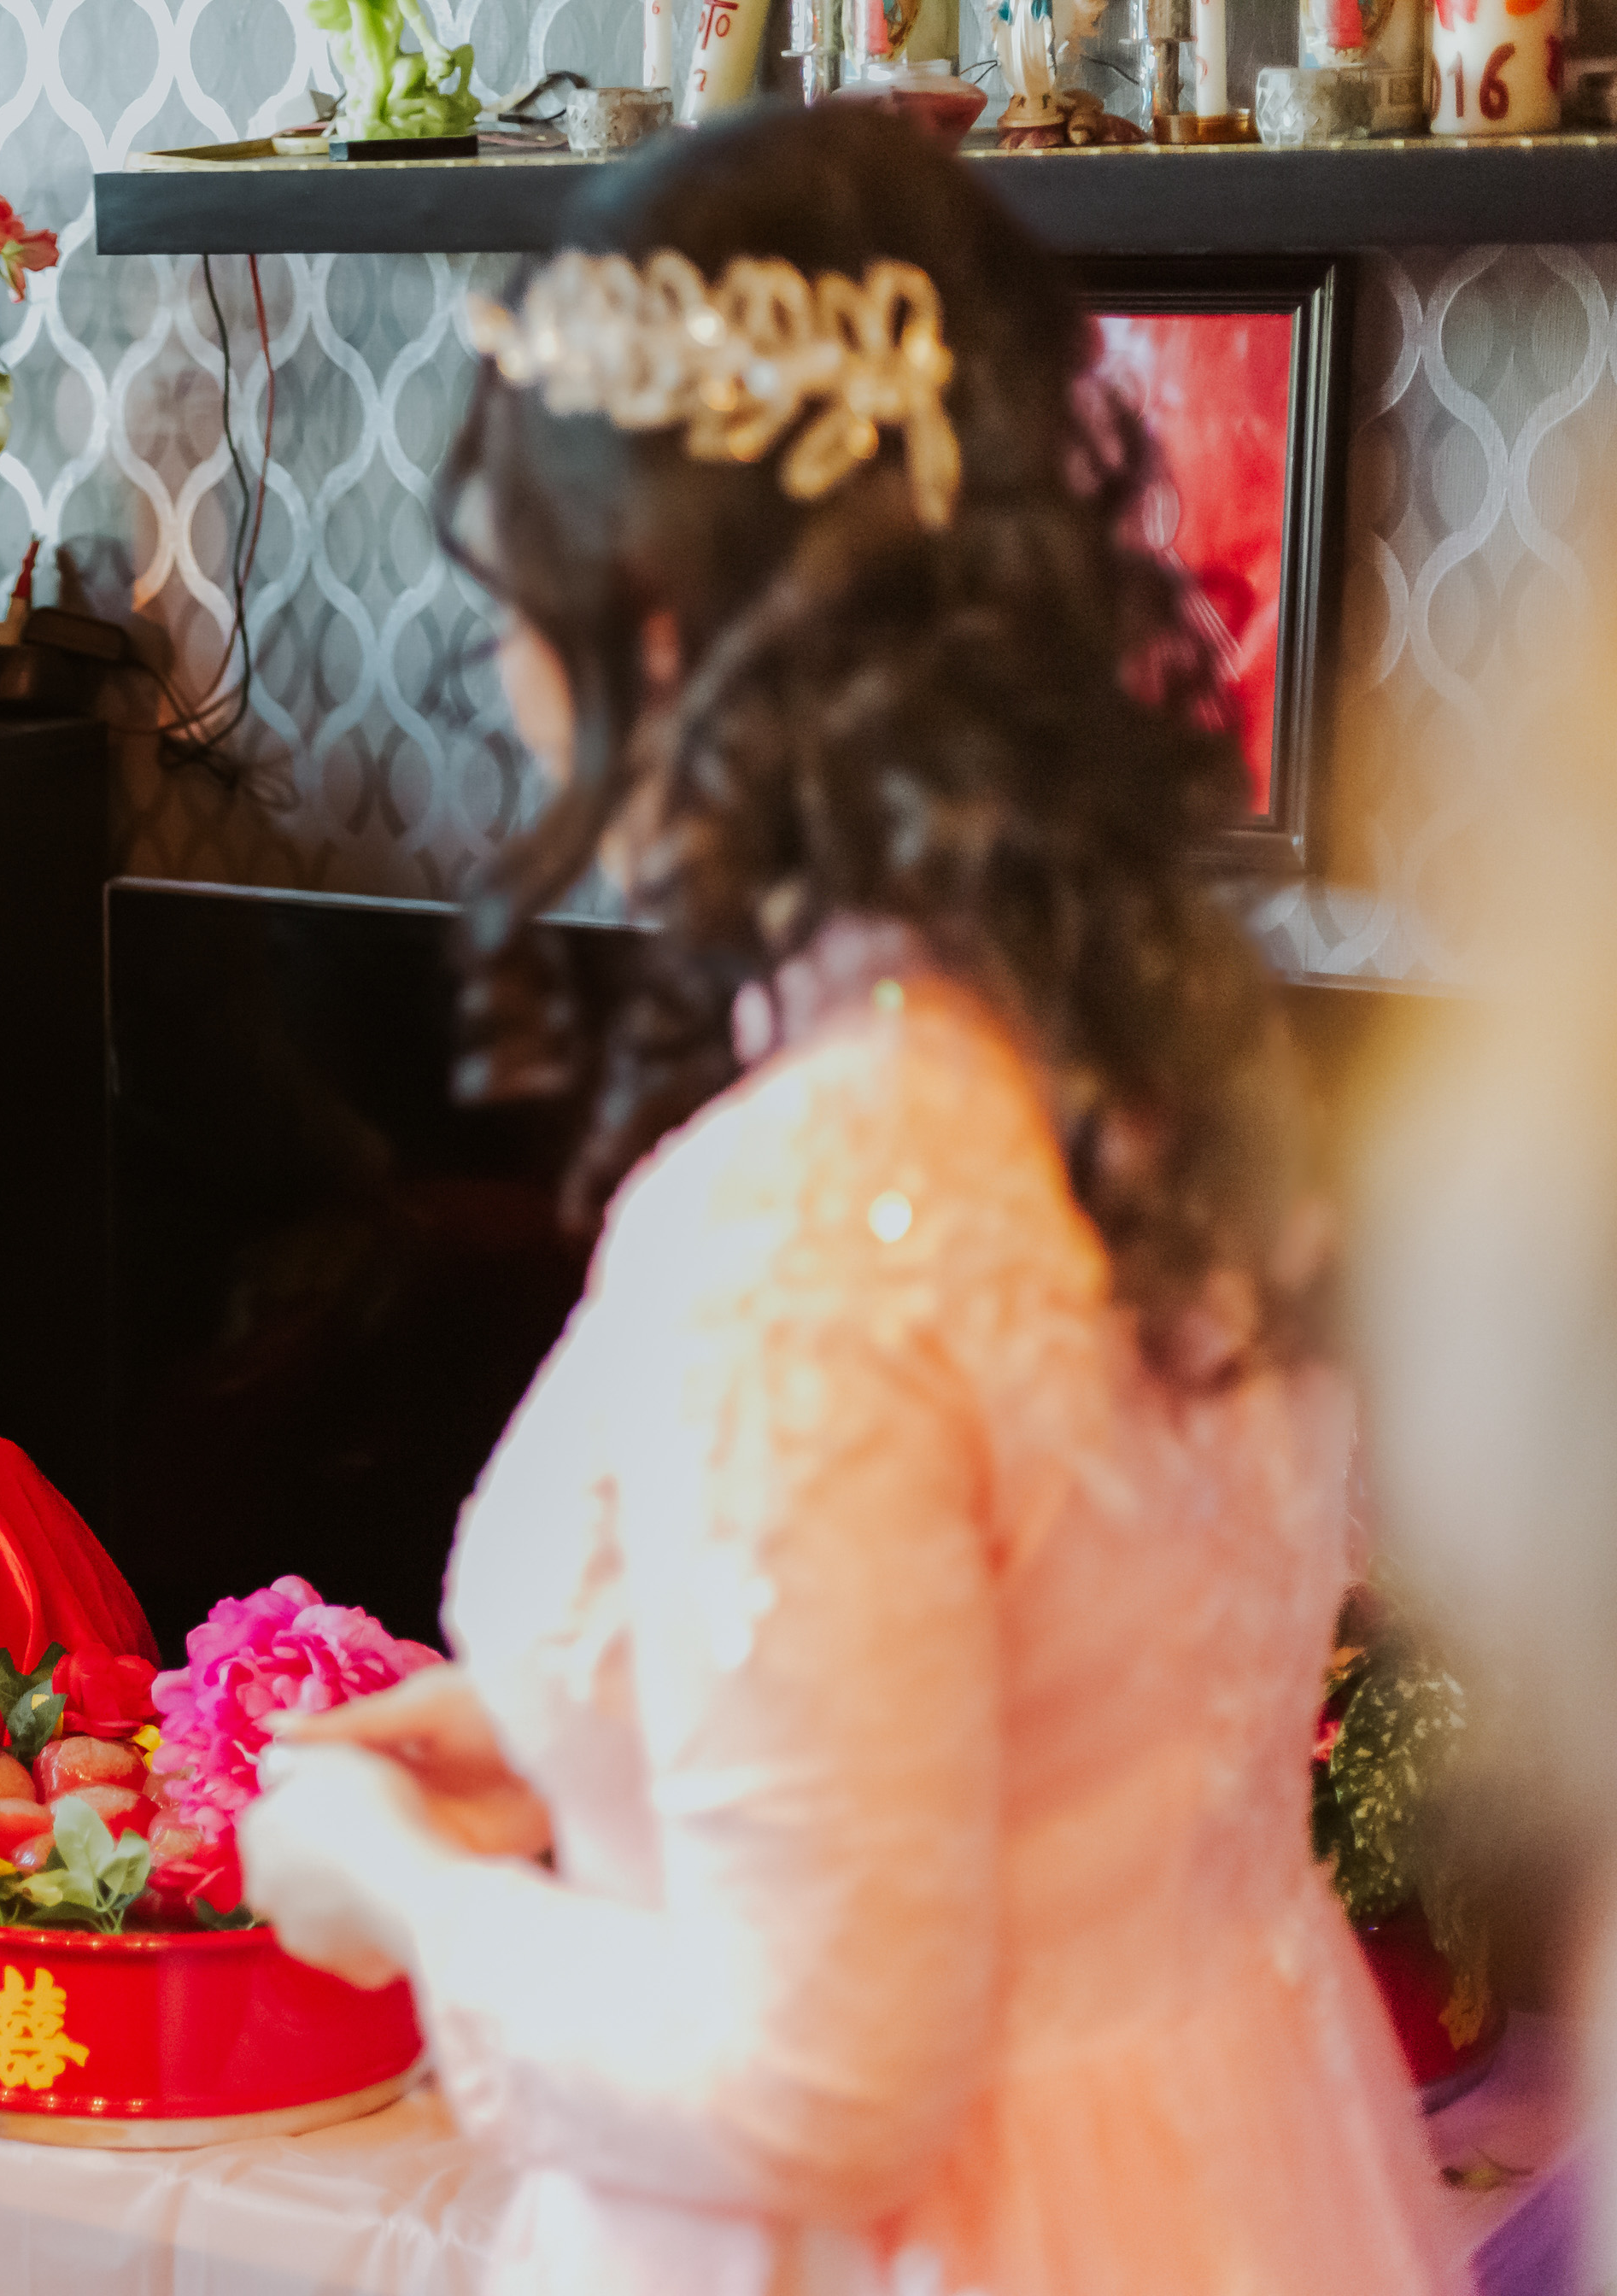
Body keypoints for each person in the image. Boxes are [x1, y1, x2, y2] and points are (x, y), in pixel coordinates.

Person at [234, 108, 1457, 2296]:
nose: (511, 681)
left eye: (526, 597)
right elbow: (1071, 1705)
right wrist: (571, 1733)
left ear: (670, 628)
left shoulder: (801, 1225)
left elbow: (815, 2083)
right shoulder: (1168, 1085)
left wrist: (392, 1888)